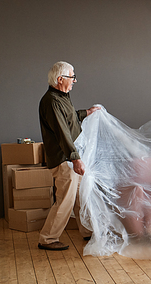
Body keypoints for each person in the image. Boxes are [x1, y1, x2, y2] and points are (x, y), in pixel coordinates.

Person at [38, 61, 99, 251]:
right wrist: (76, 158)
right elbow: (62, 132)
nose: (74, 81)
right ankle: (47, 238)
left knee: (81, 197)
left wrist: (86, 113)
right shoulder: (51, 101)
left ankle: (87, 232)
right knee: (65, 199)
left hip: (70, 158)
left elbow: (70, 118)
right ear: (60, 79)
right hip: (65, 160)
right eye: (72, 77)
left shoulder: (62, 97)